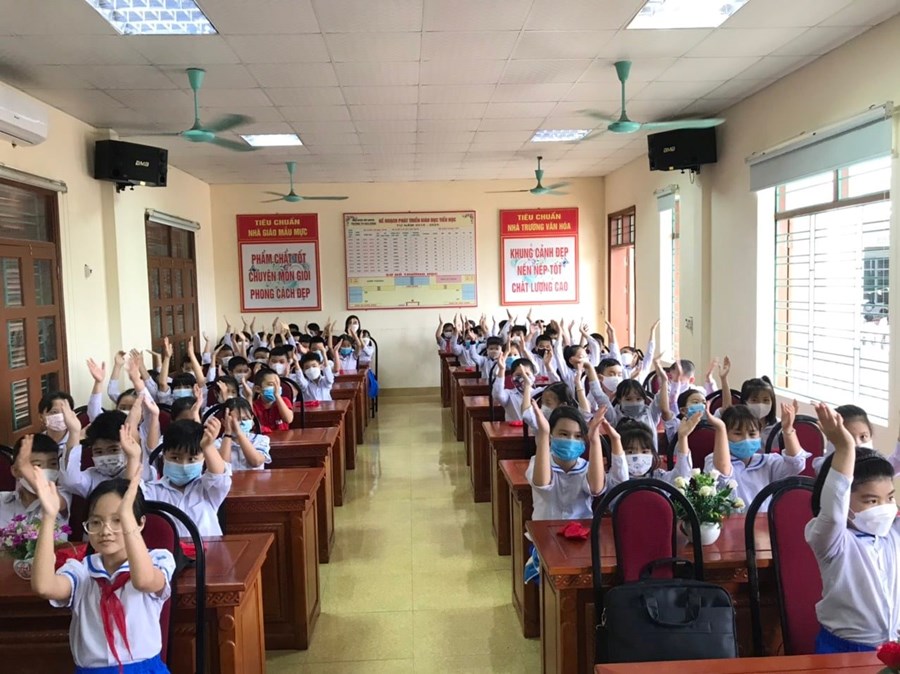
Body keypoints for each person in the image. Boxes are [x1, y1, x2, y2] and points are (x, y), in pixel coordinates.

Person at [29, 455, 174, 673]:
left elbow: (144, 581)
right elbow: (44, 587)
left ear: (140, 523)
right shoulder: (81, 571)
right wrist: (49, 517)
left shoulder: (157, 559)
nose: (105, 531)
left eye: (118, 520)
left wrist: (127, 517)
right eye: (96, 522)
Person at [806, 403, 899, 653]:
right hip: (844, 650)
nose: (884, 508)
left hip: (893, 647)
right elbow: (834, 506)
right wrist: (845, 447)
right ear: (846, 502)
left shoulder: (893, 533)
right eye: (871, 501)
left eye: (890, 497)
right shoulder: (833, 541)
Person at [526, 403, 627, 521]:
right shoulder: (537, 462)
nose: (571, 440)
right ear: (551, 434)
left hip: (582, 529)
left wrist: (594, 439)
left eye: (578, 436)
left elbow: (596, 489)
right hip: (544, 529)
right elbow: (543, 484)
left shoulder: (586, 468)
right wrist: (544, 433)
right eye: (563, 434)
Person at [136, 417, 232, 537]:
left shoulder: (208, 490)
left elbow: (219, 476)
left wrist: (208, 446)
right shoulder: (153, 491)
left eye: (192, 459)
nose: (184, 465)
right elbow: (132, 495)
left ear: (203, 458)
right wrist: (133, 457)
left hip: (209, 548)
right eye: (175, 458)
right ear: (164, 456)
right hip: (169, 549)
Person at [709, 401, 809, 511]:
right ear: (725, 435)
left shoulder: (766, 462)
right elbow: (723, 472)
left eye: (752, 434)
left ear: (760, 433)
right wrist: (720, 428)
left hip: (761, 520)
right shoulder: (713, 459)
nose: (746, 439)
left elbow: (795, 464)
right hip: (728, 520)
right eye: (738, 433)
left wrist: (788, 430)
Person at [1, 434, 71, 530]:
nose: (46, 470)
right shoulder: (2, 501)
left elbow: (52, 502)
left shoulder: (63, 495)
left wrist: (26, 470)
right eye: (37, 465)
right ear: (16, 471)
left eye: (53, 464)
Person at [619, 409, 699, 483]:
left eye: (644, 452)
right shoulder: (615, 480)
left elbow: (681, 477)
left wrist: (682, 437)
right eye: (630, 452)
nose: (638, 457)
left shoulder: (658, 477)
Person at [216, 397, 271, 471]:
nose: (238, 424)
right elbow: (222, 468)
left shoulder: (260, 439)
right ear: (224, 422)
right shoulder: (217, 444)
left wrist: (239, 433)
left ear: (252, 420)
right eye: (234, 420)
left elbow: (256, 462)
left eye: (245, 419)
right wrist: (228, 433)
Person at [251, 368, 294, 433]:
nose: (276, 388)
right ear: (258, 389)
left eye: (278, 384)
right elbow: (253, 426)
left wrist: (277, 396)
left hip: (283, 438)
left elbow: (288, 419)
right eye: (271, 384)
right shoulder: (254, 406)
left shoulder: (284, 401)